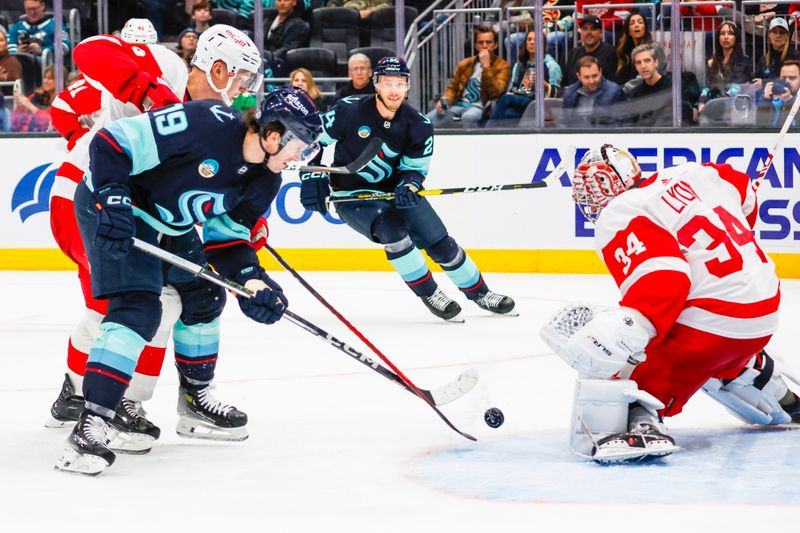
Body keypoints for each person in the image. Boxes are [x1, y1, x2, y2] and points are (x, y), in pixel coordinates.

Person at [54, 87, 321, 476]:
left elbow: (228, 241)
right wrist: (112, 195)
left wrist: (254, 282)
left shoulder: (265, 181)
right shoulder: (203, 122)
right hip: (112, 205)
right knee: (138, 308)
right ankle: (90, 425)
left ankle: (195, 401)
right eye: (301, 146)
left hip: (168, 223)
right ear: (275, 135)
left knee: (206, 294)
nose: (301, 157)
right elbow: (113, 142)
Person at [46, 24, 264, 454]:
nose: (243, 92)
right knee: (137, 302)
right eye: (240, 79)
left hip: (136, 209)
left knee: (195, 292)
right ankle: (113, 402)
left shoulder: (218, 119)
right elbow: (91, 50)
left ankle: (105, 394)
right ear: (218, 69)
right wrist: (147, 94)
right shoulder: (168, 72)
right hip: (85, 195)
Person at [540, 144, 798, 462]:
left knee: (613, 356)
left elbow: (665, 282)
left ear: (605, 187)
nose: (587, 200)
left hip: (714, 325)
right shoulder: (698, 172)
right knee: (712, 349)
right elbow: (745, 193)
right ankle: (769, 385)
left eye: (589, 191)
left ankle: (640, 420)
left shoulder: (620, 212)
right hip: (764, 309)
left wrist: (630, 341)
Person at [300, 57, 516, 322]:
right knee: (393, 232)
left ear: (407, 87)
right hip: (353, 197)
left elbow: (414, 169)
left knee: (441, 244)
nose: (394, 90)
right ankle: (430, 293)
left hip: (396, 193)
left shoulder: (419, 124)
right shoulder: (348, 110)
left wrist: (409, 185)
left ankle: (481, 293)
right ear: (376, 84)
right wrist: (312, 174)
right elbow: (310, 141)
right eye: (388, 83)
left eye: (399, 84)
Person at [428, 24, 511, 128]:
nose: (484, 46)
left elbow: (496, 92)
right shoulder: (464, 64)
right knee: (426, 120)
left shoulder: (503, 66)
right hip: (459, 105)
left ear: (495, 45)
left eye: (488, 42)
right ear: (476, 46)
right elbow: (452, 89)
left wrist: (486, 66)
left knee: (468, 117)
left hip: (480, 107)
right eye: (481, 43)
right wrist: (444, 101)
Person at [486, 29, 561, 128]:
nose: (532, 42)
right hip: (519, 98)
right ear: (525, 43)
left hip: (537, 102)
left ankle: (487, 131)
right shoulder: (519, 64)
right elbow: (513, 87)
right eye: (529, 39)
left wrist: (544, 85)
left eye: (536, 40)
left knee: (505, 99)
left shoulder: (551, 65)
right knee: (508, 113)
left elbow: (557, 93)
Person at [698, 21, 752, 113]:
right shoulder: (711, 61)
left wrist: (717, 103)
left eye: (730, 34)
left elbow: (737, 87)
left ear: (736, 38)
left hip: (733, 105)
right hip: (714, 103)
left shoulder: (744, 61)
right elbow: (708, 86)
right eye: (722, 34)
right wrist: (702, 102)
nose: (726, 37)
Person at [562, 56, 626, 126]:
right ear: (579, 76)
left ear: (600, 72)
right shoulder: (570, 93)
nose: (591, 81)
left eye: (595, 76)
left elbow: (619, 125)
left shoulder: (615, 92)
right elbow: (563, 122)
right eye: (586, 77)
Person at [562, 14, 618, 87]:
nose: (588, 32)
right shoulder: (573, 53)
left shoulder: (610, 53)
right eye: (585, 29)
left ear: (601, 33)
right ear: (581, 32)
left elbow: (612, 85)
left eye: (593, 29)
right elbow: (564, 83)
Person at [753, 18, 800, 91]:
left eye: (781, 32)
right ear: (769, 35)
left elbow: (791, 82)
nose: (778, 36)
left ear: (787, 36)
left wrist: (764, 83)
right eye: (774, 32)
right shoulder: (763, 59)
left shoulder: (794, 56)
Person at [265, 0, 309, 73]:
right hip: (265, 60)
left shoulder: (298, 24)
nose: (282, 3)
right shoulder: (268, 19)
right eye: (279, 0)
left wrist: (269, 57)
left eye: (286, 0)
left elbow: (288, 48)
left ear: (294, 2)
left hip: (284, 65)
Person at [614, 12, 656, 85]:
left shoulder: (654, 47)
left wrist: (625, 89)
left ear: (645, 28)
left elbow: (656, 74)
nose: (636, 25)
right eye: (632, 23)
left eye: (640, 22)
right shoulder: (624, 50)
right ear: (628, 30)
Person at [11, 62, 54, 131]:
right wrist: (20, 107)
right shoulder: (35, 96)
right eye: (45, 78)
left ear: (59, 80)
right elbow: (15, 121)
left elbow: (50, 122)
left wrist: (30, 106)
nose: (45, 81)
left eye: (49, 78)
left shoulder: (63, 100)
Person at [759, 59, 800, 127]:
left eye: (792, 78)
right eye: (783, 78)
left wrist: (790, 100)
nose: (787, 81)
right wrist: (765, 100)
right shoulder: (773, 97)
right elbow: (760, 126)